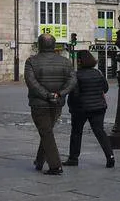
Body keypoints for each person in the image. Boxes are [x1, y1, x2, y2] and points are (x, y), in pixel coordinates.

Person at [24, 33, 76, 175]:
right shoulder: (65, 61)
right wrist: (60, 93)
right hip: (57, 103)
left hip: (39, 103)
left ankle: (55, 165)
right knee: (46, 131)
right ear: (54, 45)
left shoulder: (31, 61)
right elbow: (72, 81)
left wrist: (47, 95)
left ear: (39, 45)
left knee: (46, 132)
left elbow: (31, 82)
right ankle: (39, 161)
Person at [64, 50, 114, 168]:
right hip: (99, 107)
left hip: (81, 108)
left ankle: (73, 158)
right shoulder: (98, 73)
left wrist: (71, 106)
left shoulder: (76, 75)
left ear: (80, 61)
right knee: (100, 131)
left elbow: (74, 94)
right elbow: (105, 88)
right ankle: (110, 156)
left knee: (76, 132)